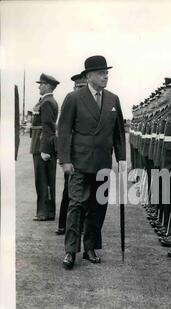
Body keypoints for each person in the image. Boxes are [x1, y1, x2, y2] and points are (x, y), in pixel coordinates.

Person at [57, 55, 126, 269]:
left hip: (103, 164)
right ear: (89, 76)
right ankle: (70, 250)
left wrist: (121, 158)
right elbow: (64, 131)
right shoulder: (74, 98)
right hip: (79, 163)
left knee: (98, 207)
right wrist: (65, 160)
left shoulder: (113, 99)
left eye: (107, 73)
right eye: (101, 73)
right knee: (76, 206)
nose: (106, 76)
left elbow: (118, 133)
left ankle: (90, 247)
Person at [55, 73, 87, 235]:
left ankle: (80, 226)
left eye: (83, 86)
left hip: (85, 155)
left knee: (84, 195)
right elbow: (63, 130)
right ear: (74, 88)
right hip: (73, 154)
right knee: (69, 192)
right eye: (78, 87)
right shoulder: (71, 100)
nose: (80, 89)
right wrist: (64, 158)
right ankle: (63, 225)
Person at [30, 73, 59, 221]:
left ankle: (43, 212)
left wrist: (44, 149)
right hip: (42, 144)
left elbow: (47, 126)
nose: (39, 87)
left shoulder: (47, 102)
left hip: (42, 145)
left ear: (47, 86)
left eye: (41, 84)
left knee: (42, 180)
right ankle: (48, 211)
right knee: (47, 180)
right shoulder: (47, 101)